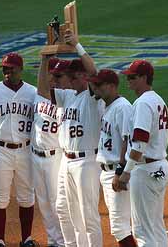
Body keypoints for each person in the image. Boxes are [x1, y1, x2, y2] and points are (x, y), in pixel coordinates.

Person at [38, 30, 104, 247]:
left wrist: (77, 45)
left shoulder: (92, 97)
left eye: (76, 76)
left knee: (88, 215)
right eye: (71, 77)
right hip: (67, 161)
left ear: (84, 77)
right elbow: (43, 89)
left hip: (87, 162)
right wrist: (45, 58)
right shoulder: (68, 97)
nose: (72, 80)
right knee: (64, 210)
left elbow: (94, 71)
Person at [0, 52, 38, 247]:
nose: (7, 72)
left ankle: (26, 238)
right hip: (0, 150)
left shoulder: (33, 92)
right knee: (0, 196)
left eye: (10, 69)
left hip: (26, 149)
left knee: (26, 196)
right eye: (4, 69)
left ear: (20, 69)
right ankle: (1, 240)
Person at [118, 60, 168, 247]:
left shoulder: (142, 103)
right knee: (156, 226)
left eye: (132, 77)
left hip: (145, 170)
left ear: (144, 78)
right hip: (159, 166)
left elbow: (140, 142)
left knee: (142, 231)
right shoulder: (158, 100)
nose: (128, 80)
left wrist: (126, 172)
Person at [87, 69, 136, 247]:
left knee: (119, 228)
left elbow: (128, 141)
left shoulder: (122, 107)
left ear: (112, 86)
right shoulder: (108, 106)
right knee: (120, 227)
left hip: (116, 171)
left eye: (99, 85)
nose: (95, 88)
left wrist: (120, 172)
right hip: (107, 172)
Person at [31, 57, 65, 247]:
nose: (46, 77)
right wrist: (45, 57)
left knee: (56, 202)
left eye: (51, 74)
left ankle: (63, 241)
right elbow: (41, 86)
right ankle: (53, 241)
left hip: (55, 157)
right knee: (43, 203)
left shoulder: (64, 98)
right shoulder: (38, 95)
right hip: (35, 155)